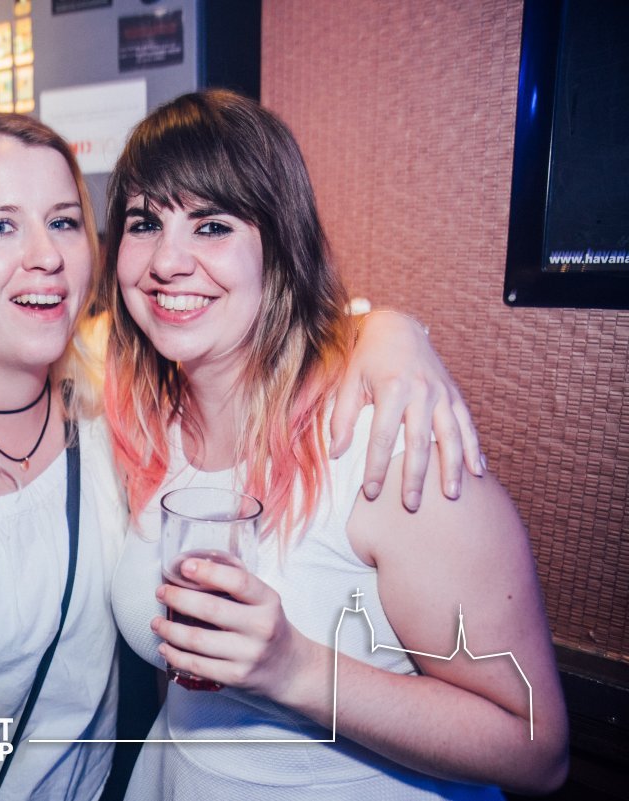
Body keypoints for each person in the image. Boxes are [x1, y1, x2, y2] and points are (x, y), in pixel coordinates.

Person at [0, 112, 485, 801]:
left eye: (64, 222)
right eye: (0, 225)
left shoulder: (113, 399)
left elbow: (245, 315)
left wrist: (389, 333)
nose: (45, 256)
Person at [107, 89, 568, 799]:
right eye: (145, 222)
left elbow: (536, 748)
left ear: (282, 245)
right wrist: (389, 324)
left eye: (212, 224)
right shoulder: (146, 421)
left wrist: (293, 670)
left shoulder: (388, 444)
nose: (167, 260)